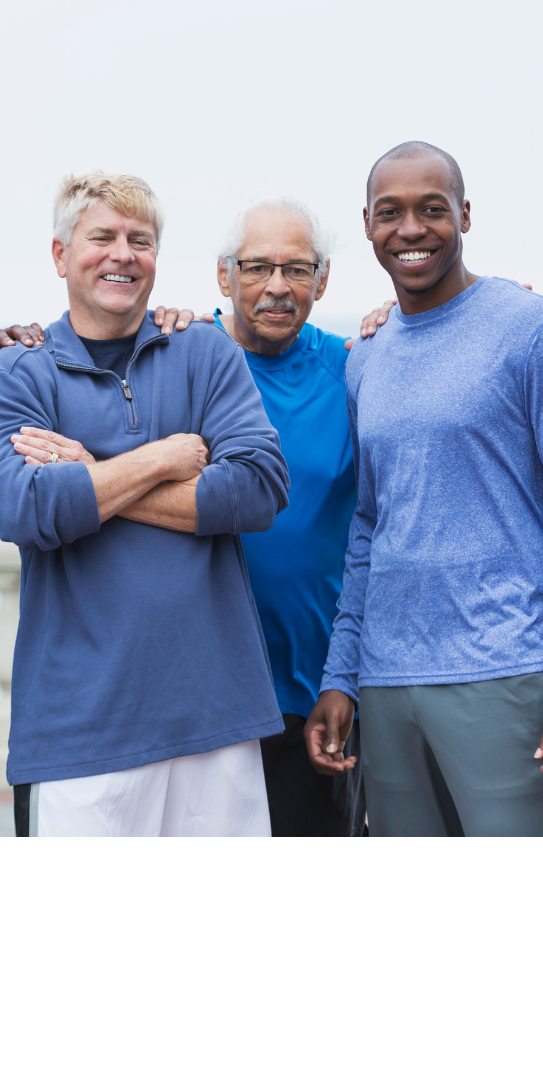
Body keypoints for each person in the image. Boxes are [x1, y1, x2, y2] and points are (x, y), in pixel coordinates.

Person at [0, 171, 289, 836]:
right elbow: (23, 511)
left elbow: (259, 488)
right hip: (82, 726)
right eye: (102, 237)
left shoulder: (205, 350)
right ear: (61, 255)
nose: (122, 253)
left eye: (139, 240)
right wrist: (162, 459)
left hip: (217, 713)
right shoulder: (17, 373)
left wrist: (92, 476)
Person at [305, 141, 543, 836]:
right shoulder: (368, 359)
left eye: (431, 209)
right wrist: (341, 675)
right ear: (367, 225)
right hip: (386, 686)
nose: (410, 229)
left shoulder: (529, 329)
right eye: (391, 212)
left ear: (465, 216)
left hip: (506, 669)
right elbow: (368, 527)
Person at [211, 200, 364, 836]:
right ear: (225, 277)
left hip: (315, 697)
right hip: (206, 697)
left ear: (322, 281)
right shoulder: (178, 358)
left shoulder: (355, 369)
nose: (278, 286)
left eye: (297, 269)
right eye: (258, 267)